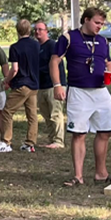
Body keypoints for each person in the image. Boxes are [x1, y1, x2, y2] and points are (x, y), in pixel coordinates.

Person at [50, 8, 111, 187]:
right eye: (96, 23)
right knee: (79, 133)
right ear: (86, 20)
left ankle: (101, 173)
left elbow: (108, 62)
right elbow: (55, 61)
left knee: (105, 131)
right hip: (79, 91)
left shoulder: (102, 41)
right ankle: (78, 176)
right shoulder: (69, 38)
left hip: (100, 91)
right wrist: (57, 85)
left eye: (102, 24)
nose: (99, 27)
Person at [0, 19, 41, 153]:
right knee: (32, 115)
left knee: (7, 112)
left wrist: (6, 80)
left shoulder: (15, 47)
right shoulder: (36, 45)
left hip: (22, 84)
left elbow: (14, 69)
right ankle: (30, 143)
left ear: (17, 30)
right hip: (34, 84)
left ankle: (6, 141)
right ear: (30, 30)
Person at [33, 20, 66, 149]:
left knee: (55, 113)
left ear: (46, 31)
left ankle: (59, 141)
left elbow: (54, 64)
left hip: (54, 85)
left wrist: (58, 85)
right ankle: (52, 139)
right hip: (40, 85)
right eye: (35, 29)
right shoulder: (36, 47)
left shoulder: (52, 45)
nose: (37, 32)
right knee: (46, 114)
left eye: (40, 29)